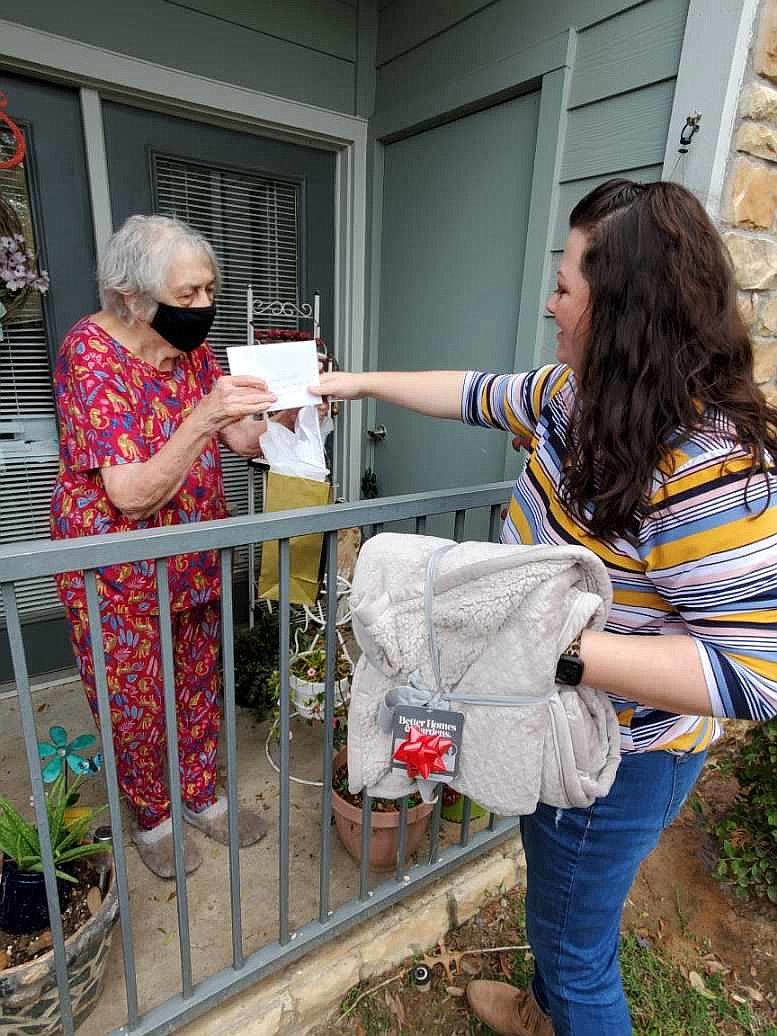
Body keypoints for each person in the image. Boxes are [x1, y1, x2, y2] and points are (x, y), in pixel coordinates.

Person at [311, 179, 777, 1035]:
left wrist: (541, 649)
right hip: (553, 722)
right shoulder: (575, 397)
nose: (549, 303)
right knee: (556, 901)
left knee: (575, 945)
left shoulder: (707, 473)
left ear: (624, 312)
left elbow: (753, 675)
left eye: (564, 286)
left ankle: (565, 1005)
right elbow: (475, 391)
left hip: (622, 757)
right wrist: (349, 385)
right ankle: (541, 1011)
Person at [51, 214, 278, 878]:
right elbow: (128, 493)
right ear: (132, 295)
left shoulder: (192, 352)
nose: (204, 308)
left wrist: (290, 417)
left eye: (209, 289)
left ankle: (202, 798)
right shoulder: (88, 354)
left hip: (192, 559)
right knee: (135, 701)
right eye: (188, 296)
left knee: (198, 686)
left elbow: (240, 442)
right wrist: (204, 416)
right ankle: (153, 818)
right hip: (115, 572)